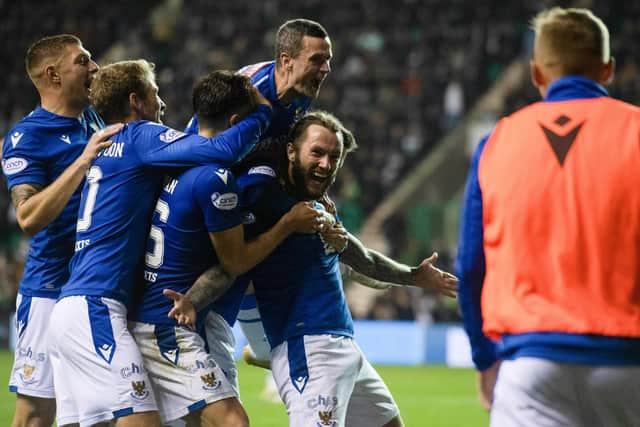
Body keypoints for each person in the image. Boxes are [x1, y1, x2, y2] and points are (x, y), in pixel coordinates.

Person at [172, 111, 458, 427]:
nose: (326, 163)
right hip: (309, 347)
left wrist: (413, 275)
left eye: (333, 157)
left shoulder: (316, 208)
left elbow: (361, 257)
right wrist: (192, 300)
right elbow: (231, 262)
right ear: (291, 152)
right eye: (317, 153)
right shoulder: (262, 196)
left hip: (344, 347)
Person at [46, 59, 272, 427]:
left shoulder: (109, 145)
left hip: (76, 306)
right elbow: (219, 151)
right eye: (155, 93)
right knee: (143, 421)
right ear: (136, 101)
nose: (162, 102)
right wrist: (263, 114)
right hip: (95, 305)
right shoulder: (140, 136)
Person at [455, 7, 640, 427]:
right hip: (630, 364)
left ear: (537, 74)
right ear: (608, 70)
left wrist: (486, 358)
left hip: (531, 366)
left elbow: (469, 268)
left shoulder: (497, 141)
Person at [128, 70, 321, 426]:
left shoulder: (173, 163)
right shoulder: (216, 178)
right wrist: (288, 224)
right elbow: (236, 260)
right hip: (174, 319)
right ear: (236, 123)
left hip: (162, 312)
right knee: (233, 422)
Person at [1, 34, 121, 427]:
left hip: (99, 288)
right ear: (53, 75)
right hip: (49, 293)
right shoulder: (27, 136)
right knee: (36, 415)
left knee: (100, 413)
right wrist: (84, 160)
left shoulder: (94, 119)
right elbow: (28, 216)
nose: (94, 67)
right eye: (82, 61)